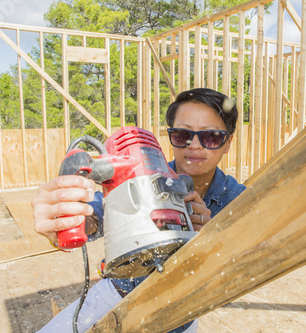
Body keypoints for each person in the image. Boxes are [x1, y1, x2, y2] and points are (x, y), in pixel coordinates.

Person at [32, 88, 246, 332]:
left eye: (211, 137)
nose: (194, 145)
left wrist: (211, 239)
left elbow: (247, 261)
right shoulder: (143, 177)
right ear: (171, 137)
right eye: (182, 134)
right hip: (116, 294)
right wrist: (66, 219)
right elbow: (97, 217)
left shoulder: (239, 199)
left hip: (181, 313)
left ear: (228, 143)